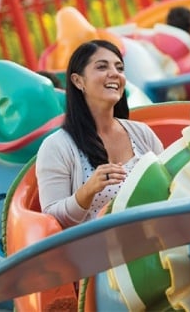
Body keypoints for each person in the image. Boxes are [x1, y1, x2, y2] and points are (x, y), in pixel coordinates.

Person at [36, 39, 164, 229]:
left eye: (119, 68)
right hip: (100, 252)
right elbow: (52, 219)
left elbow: (170, 182)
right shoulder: (56, 146)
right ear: (78, 81)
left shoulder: (141, 132)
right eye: (102, 67)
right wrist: (88, 191)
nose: (114, 74)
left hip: (159, 236)